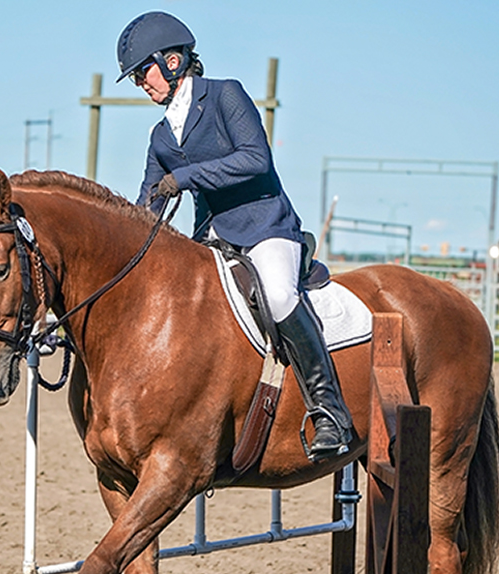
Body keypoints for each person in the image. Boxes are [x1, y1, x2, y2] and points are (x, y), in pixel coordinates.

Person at [116, 11, 354, 462]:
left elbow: (255, 160)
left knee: (280, 296)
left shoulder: (226, 96)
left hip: (264, 228)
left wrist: (183, 177)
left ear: (171, 61)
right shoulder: (161, 135)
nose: (140, 84)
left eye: (142, 73)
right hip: (212, 241)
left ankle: (330, 411)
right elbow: (148, 202)